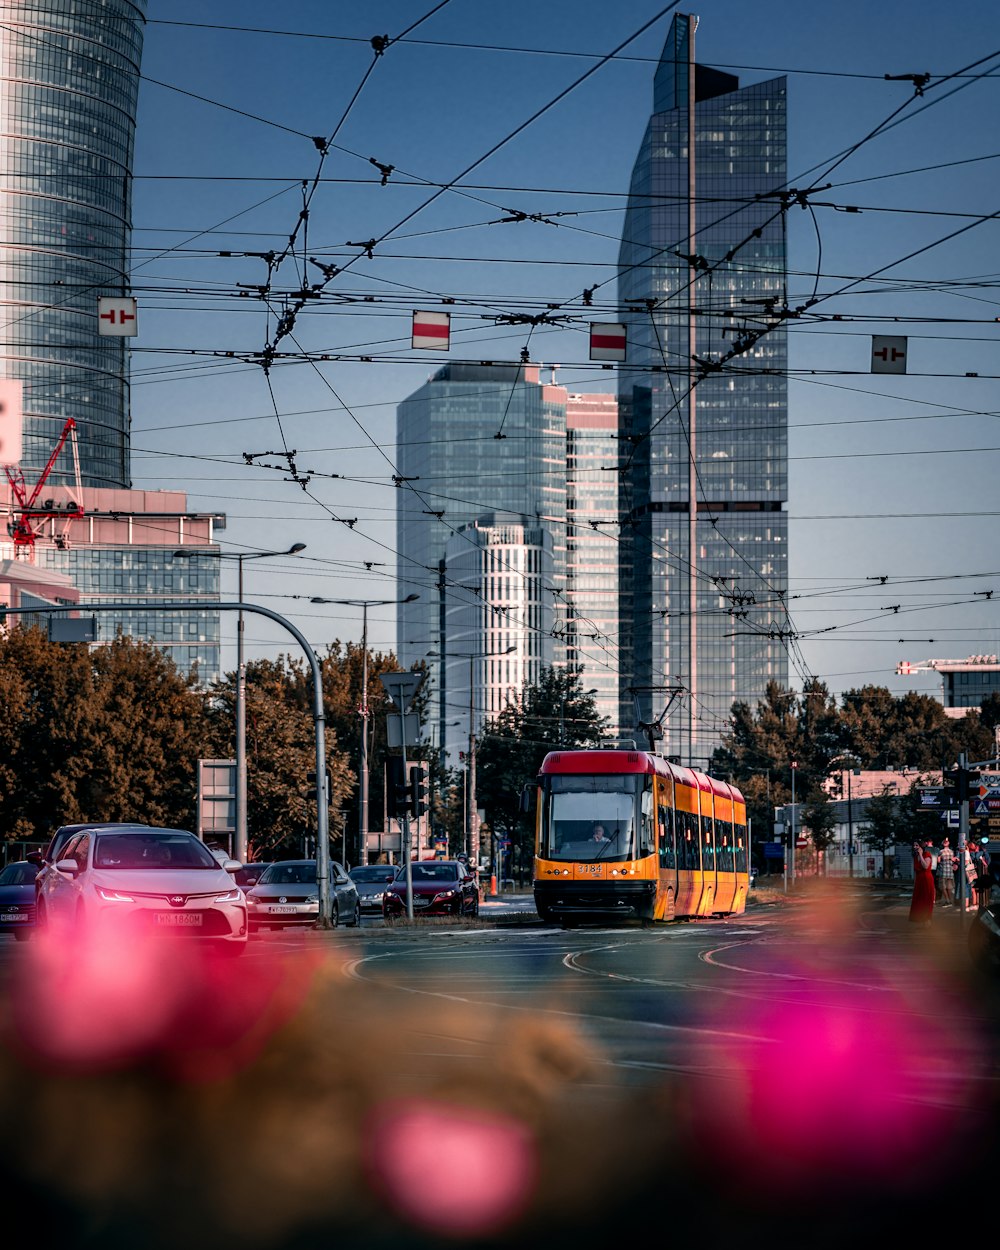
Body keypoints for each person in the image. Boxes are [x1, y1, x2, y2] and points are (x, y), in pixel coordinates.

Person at [908, 840, 936, 926]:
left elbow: (925, 866)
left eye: (916, 845)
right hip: (919, 880)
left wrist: (920, 854)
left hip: (926, 879)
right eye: (914, 846)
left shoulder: (926, 854)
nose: (915, 847)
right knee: (919, 900)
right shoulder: (915, 857)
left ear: (921, 846)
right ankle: (921, 920)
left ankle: (927, 920)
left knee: (926, 900)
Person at [936, 836, 956, 906]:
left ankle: (947, 900)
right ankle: (950, 900)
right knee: (949, 887)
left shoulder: (941, 851)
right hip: (950, 871)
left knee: (943, 887)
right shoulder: (952, 851)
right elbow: (953, 861)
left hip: (943, 871)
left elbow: (938, 861)